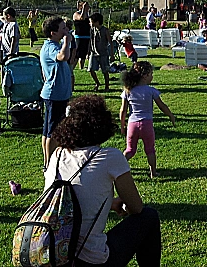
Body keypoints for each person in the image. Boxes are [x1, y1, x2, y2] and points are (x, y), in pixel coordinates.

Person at [45, 94, 162, 266]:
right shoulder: (109, 157)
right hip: (90, 261)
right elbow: (136, 207)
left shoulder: (57, 155)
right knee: (148, 216)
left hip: (54, 255)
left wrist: (110, 203)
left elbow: (66, 198)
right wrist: (125, 205)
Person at [119, 61, 176, 178]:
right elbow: (162, 106)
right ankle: (153, 172)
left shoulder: (128, 90)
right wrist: (170, 115)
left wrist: (122, 125)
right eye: (151, 74)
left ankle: (117, 168)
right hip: (147, 125)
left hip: (132, 125)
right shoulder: (151, 91)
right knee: (150, 150)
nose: (152, 76)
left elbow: (123, 110)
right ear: (145, 76)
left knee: (130, 150)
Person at [40, 16, 74, 166]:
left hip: (57, 94)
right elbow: (63, 56)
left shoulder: (53, 44)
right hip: (55, 95)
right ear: (53, 33)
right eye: (63, 29)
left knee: (48, 130)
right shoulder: (51, 47)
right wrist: (67, 41)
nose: (66, 31)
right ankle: (49, 164)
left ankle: (47, 162)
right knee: (53, 132)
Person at [89, 13, 113, 92]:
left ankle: (107, 86)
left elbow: (110, 43)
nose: (90, 23)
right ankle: (97, 83)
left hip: (103, 53)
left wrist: (112, 55)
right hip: (94, 52)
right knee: (91, 69)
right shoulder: (92, 30)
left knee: (105, 71)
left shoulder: (105, 30)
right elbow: (90, 41)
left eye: (91, 22)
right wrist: (89, 52)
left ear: (97, 22)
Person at [73, 1, 92, 71]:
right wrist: (84, 9)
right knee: (77, 54)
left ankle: (81, 67)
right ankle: (72, 67)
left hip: (87, 36)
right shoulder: (76, 14)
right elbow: (82, 18)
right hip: (79, 37)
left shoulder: (88, 15)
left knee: (83, 54)